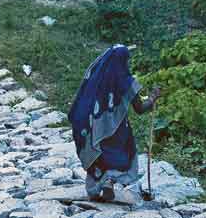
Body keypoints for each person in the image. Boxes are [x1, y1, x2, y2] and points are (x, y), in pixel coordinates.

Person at [68, 45, 161, 202]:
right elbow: (139, 108)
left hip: (97, 129)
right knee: (121, 156)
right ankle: (110, 182)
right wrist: (153, 97)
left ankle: (96, 188)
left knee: (100, 156)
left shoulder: (95, 80)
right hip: (118, 130)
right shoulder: (126, 81)